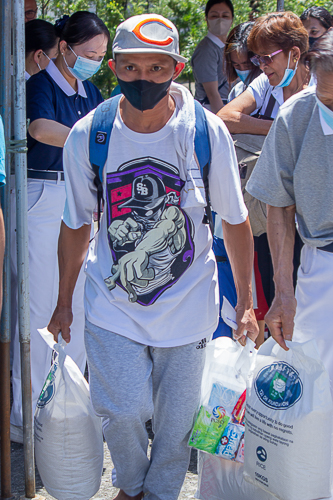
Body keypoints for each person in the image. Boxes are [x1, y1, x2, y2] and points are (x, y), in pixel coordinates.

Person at [47, 13, 258, 500]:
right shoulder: (89, 134)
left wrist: (246, 301)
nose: (144, 79)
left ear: (178, 68)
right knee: (119, 409)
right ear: (114, 67)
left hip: (188, 307)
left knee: (176, 421)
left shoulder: (204, 131)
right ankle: (131, 483)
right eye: (131, 68)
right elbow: (77, 223)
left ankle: (159, 491)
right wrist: (63, 301)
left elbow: (235, 218)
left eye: (157, 68)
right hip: (112, 302)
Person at [10, 11, 109, 444]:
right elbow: (39, 128)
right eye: (88, 54)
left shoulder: (89, 89)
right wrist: (89, 139)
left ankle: (68, 410)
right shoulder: (39, 85)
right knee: (38, 307)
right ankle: (27, 416)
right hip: (42, 194)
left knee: (81, 306)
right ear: (64, 48)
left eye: (102, 56)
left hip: (80, 198)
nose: (95, 62)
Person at [246, 31, 333, 498]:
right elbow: (278, 202)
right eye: (325, 95)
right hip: (321, 267)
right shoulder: (298, 112)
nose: (329, 106)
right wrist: (282, 290)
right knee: (315, 390)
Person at [218, 11, 309, 134]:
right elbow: (224, 117)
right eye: (258, 59)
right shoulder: (265, 83)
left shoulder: (320, 89)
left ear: (294, 54)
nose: (262, 66)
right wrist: (283, 129)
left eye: (267, 57)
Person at [191, 0, 233, 113]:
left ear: (232, 19)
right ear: (207, 19)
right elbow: (212, 94)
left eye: (225, 16)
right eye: (214, 16)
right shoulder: (206, 50)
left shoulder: (227, 47)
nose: (220, 20)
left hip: (227, 106)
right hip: (212, 110)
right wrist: (224, 122)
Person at [224, 21, 261, 102]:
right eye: (237, 66)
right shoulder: (236, 93)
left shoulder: (277, 92)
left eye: (247, 65)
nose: (243, 70)